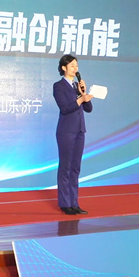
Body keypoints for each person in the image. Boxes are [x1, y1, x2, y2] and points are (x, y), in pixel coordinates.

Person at [53, 54, 93, 215]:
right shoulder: (59, 86)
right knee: (66, 167)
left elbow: (88, 109)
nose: (75, 68)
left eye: (76, 65)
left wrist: (83, 94)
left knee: (75, 168)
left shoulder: (77, 85)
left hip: (79, 130)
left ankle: (74, 203)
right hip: (66, 131)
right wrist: (80, 99)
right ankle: (65, 204)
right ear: (64, 68)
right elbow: (65, 109)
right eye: (72, 66)